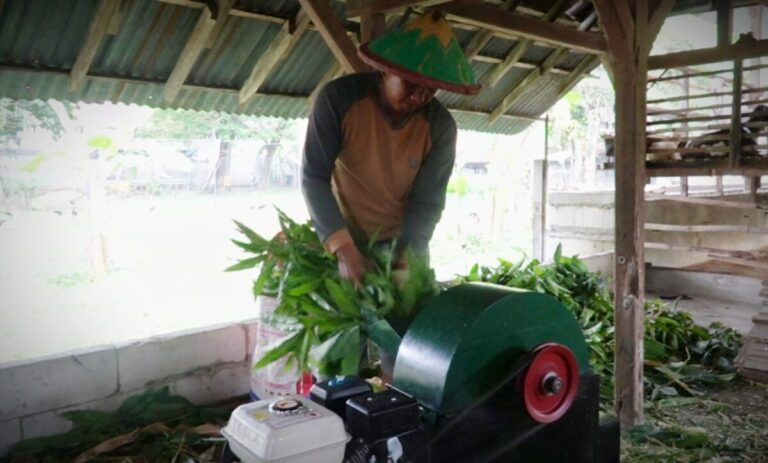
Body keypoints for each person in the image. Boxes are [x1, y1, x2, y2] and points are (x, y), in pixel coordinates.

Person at [301, 12, 480, 283]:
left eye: (431, 89)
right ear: (386, 70)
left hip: (402, 241)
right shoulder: (339, 99)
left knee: (407, 319)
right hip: (343, 234)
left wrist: (410, 252)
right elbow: (313, 177)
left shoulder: (440, 126)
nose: (419, 96)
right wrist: (343, 247)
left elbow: (427, 201)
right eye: (411, 83)